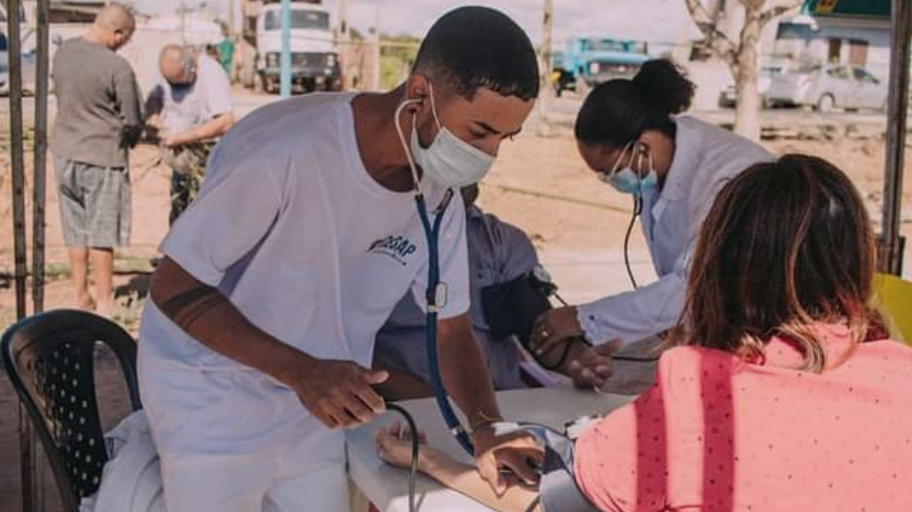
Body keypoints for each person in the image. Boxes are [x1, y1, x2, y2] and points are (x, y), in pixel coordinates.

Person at [138, 7, 572, 511]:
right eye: (479, 133)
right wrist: (303, 372)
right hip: (212, 400)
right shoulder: (289, 151)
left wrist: (487, 428)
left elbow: (451, 330)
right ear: (418, 94)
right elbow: (174, 286)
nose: (490, 156)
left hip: (314, 408)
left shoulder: (439, 196)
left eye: (504, 139)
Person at [377, 154, 912, 512]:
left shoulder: (701, 395)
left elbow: (542, 501)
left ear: (716, 266)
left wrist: (425, 461)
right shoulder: (907, 378)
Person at [532, 59, 774, 363]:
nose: (610, 181)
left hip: (767, 325)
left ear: (642, 148)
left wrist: (581, 319)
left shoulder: (728, 175)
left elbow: (693, 286)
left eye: (610, 172)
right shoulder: (654, 174)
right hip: (717, 325)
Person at [374, 185, 618, 397]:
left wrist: (577, 360)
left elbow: (537, 333)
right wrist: (443, 404)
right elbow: (352, 363)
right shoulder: (372, 246)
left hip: (502, 402)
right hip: (407, 408)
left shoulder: (501, 241)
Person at [51, 3, 142, 316]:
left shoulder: (63, 53)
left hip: (64, 152)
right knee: (102, 233)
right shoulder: (117, 67)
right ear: (117, 33)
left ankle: (81, 295)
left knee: (75, 231)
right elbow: (131, 119)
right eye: (126, 38)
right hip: (102, 156)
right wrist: (134, 137)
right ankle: (105, 303)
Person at [144, 44, 235, 225]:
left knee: (201, 213)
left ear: (192, 67)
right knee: (179, 209)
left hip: (205, 154)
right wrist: (154, 119)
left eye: (180, 82)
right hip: (180, 156)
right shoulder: (166, 70)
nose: (176, 88)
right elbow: (154, 100)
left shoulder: (211, 73)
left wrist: (183, 137)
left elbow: (226, 121)